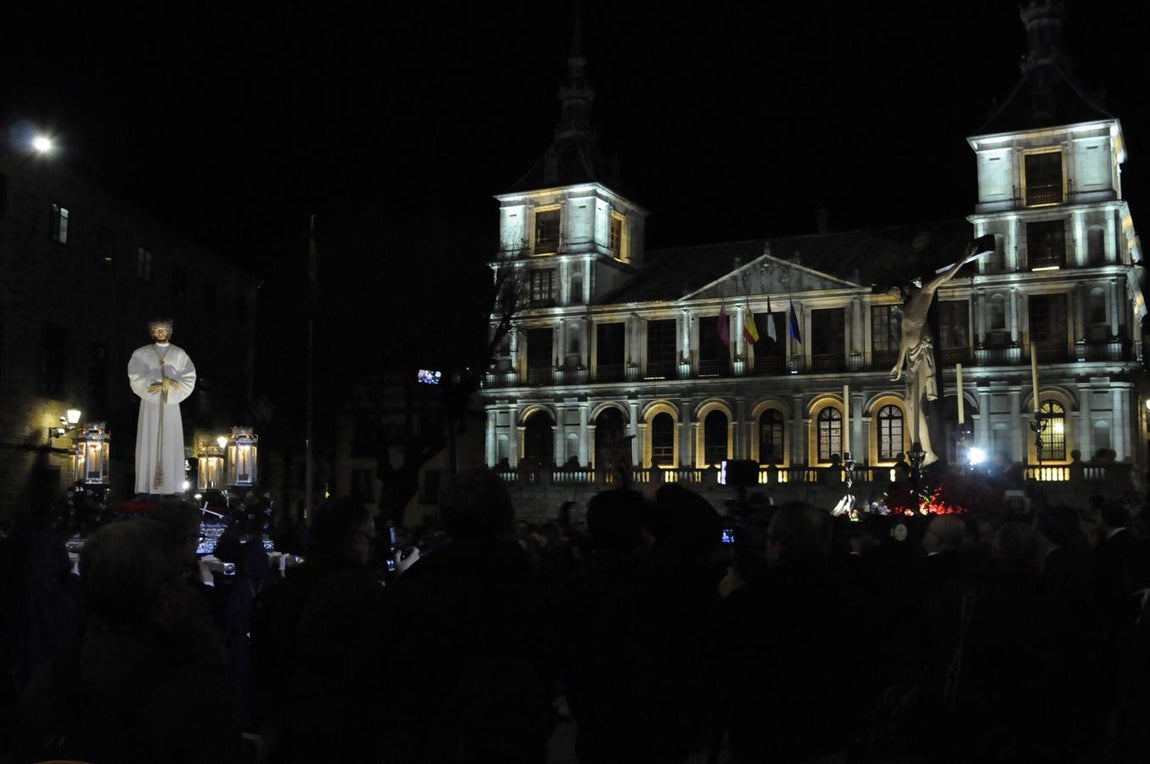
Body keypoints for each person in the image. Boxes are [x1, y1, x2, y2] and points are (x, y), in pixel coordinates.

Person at [890, 236, 992, 465]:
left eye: (897, 293)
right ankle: (922, 450)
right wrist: (899, 363)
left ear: (907, 288)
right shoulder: (907, 309)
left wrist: (964, 258)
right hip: (911, 356)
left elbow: (945, 277)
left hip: (923, 354)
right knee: (908, 403)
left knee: (913, 403)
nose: (896, 298)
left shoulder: (925, 292)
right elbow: (905, 335)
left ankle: (926, 451)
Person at [127, 319, 196, 495]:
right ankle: (147, 486)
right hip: (150, 404)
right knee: (149, 438)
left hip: (170, 404)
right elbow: (136, 376)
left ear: (169, 332)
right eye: (157, 330)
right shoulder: (141, 354)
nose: (160, 333)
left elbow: (188, 378)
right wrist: (157, 385)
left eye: (163, 330)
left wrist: (167, 386)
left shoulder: (179, 354)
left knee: (170, 440)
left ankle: (171, 487)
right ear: (153, 332)